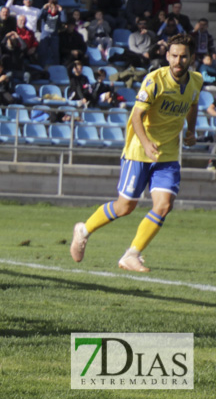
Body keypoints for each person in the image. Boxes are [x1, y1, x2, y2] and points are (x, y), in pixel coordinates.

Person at [69, 33, 202, 273]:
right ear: (167, 56)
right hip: (139, 150)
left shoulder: (196, 81)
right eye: (174, 56)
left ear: (191, 58)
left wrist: (191, 131)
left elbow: (193, 104)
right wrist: (146, 141)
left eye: (183, 57)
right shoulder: (155, 81)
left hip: (168, 153)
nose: (178, 61)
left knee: (164, 205)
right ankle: (83, 230)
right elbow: (136, 116)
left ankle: (132, 254)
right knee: (125, 207)